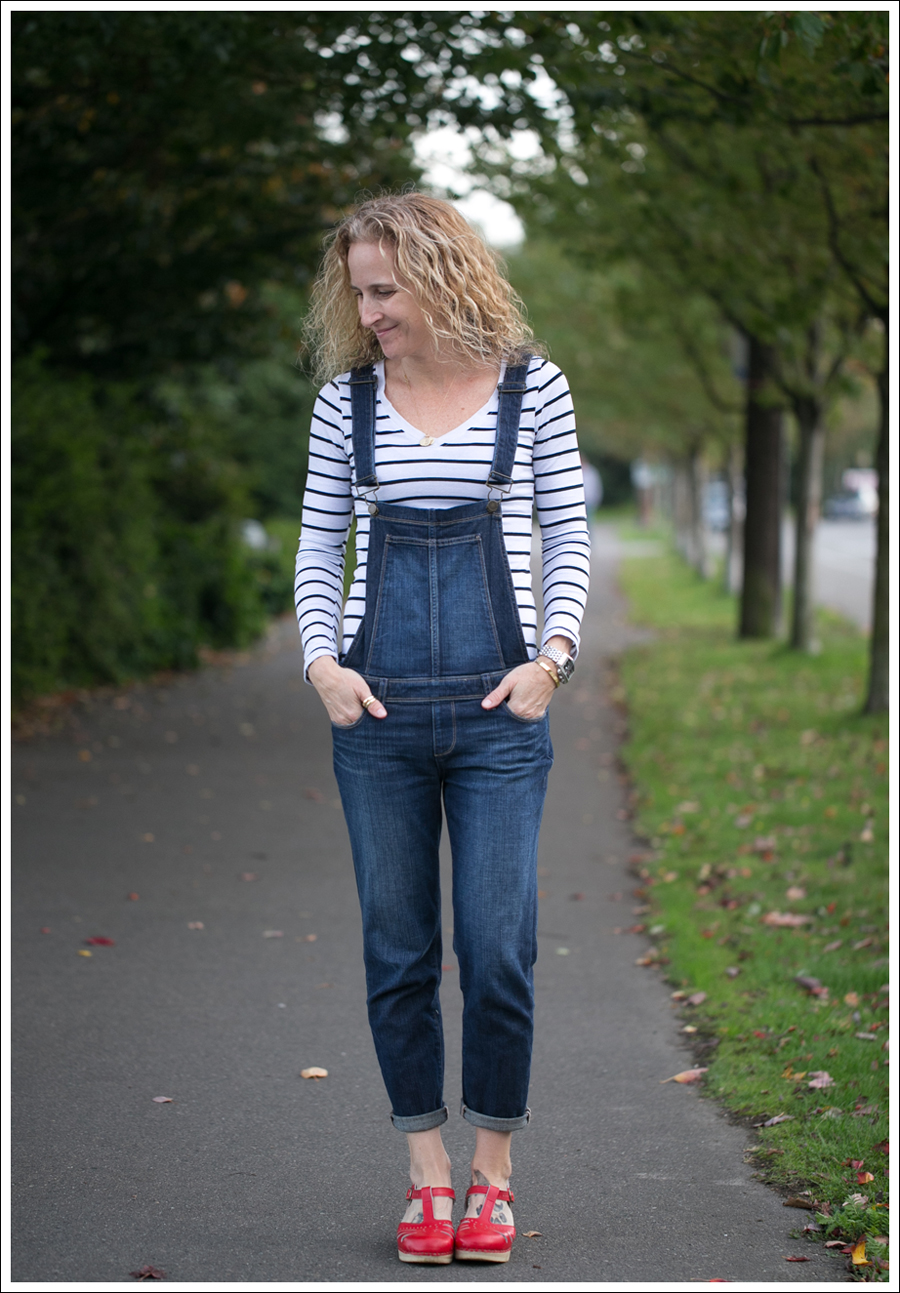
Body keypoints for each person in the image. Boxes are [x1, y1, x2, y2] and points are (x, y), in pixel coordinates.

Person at [294, 192, 589, 1265]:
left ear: (440, 272)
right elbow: (319, 546)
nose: (368, 310)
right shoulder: (347, 406)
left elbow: (567, 534)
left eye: (384, 289)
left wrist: (552, 662)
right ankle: (426, 1174)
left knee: (498, 949)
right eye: (357, 292)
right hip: (372, 718)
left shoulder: (532, 388)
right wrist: (320, 664)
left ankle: (493, 1175)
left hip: (500, 717)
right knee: (398, 949)